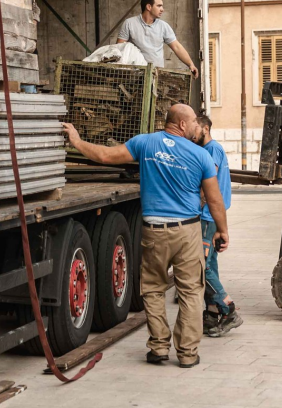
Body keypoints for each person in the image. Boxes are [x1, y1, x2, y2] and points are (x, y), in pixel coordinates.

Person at [63, 104, 228, 368]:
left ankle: (159, 348)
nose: (198, 127)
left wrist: (77, 141)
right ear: (182, 125)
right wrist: (222, 230)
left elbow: (105, 156)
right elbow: (214, 200)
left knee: (152, 289)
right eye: (195, 122)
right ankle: (187, 353)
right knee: (191, 292)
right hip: (187, 232)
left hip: (154, 232)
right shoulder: (201, 156)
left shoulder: (144, 144)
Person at [195, 115, 241, 337]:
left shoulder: (211, 150)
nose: (192, 132)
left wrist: (196, 205)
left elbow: (207, 183)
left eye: (196, 128)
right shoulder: (214, 149)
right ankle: (213, 314)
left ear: (205, 128)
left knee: (202, 267)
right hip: (212, 216)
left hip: (207, 216)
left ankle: (228, 308)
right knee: (210, 262)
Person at [117, 0, 199, 78]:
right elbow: (120, 48)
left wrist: (191, 64)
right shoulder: (129, 23)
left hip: (156, 75)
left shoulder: (163, 26)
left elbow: (177, 47)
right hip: (134, 76)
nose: (162, 9)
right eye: (159, 6)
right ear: (149, 7)